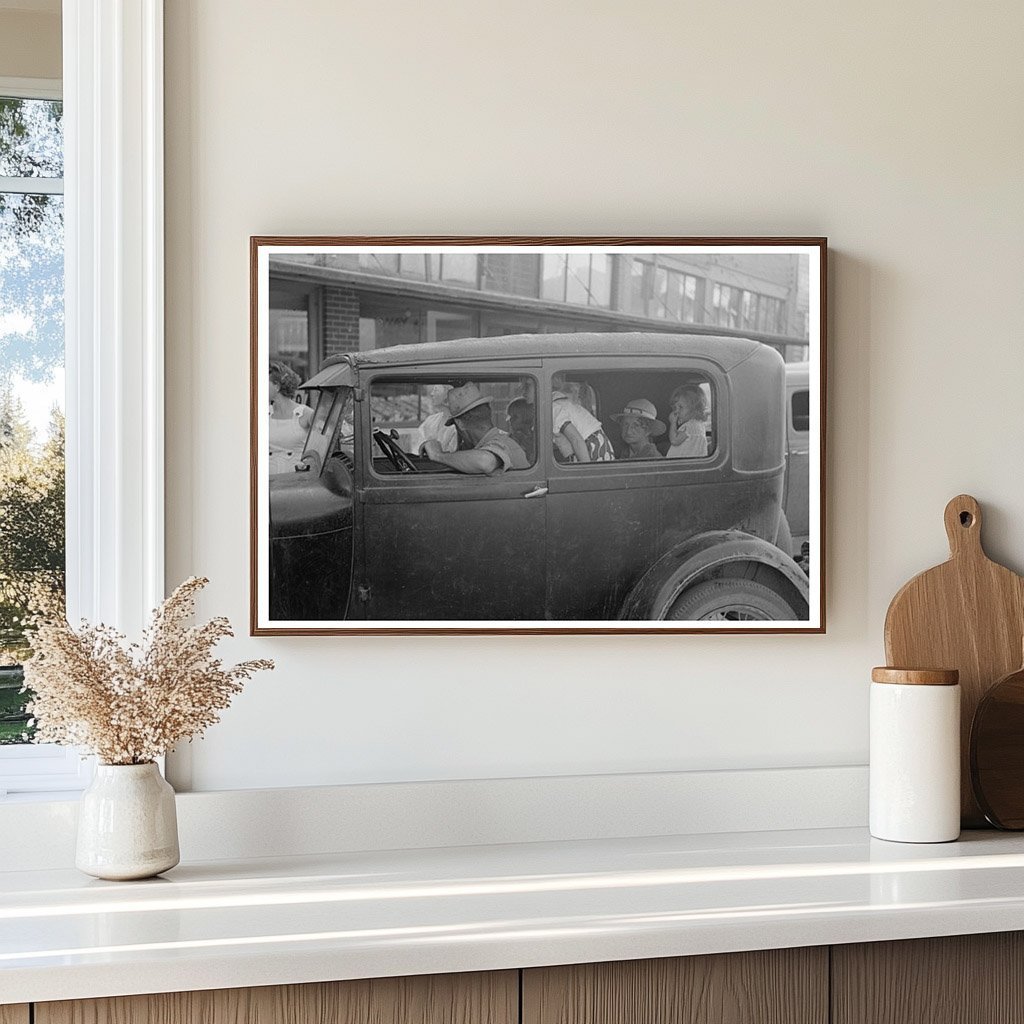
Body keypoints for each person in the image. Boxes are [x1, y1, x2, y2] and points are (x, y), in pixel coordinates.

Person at [422, 382, 528, 475]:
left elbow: (485, 462)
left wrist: (438, 455)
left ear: (460, 424)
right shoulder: (488, 443)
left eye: (454, 425)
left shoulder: (501, 443)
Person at [551, 376, 615, 463]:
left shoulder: (553, 408)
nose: (524, 391)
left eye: (528, 386)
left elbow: (576, 439)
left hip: (591, 445)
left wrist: (585, 470)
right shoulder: (555, 403)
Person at [268, 361, 314, 474]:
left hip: (295, 483)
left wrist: (310, 463)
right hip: (269, 482)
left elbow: (323, 446)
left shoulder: (306, 413)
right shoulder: (262, 414)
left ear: (277, 386)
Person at [666, 384, 709, 458]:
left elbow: (674, 440)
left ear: (694, 409)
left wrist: (673, 423)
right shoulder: (699, 425)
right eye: (675, 408)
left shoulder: (690, 426)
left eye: (680, 407)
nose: (676, 411)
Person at [417, 384, 459, 454]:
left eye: (435, 390)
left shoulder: (458, 424)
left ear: (447, 395)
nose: (431, 394)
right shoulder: (431, 420)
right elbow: (418, 446)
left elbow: (453, 454)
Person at [506, 396, 536, 463]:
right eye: (510, 416)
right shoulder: (510, 439)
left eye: (515, 417)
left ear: (527, 418)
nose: (511, 420)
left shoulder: (538, 439)